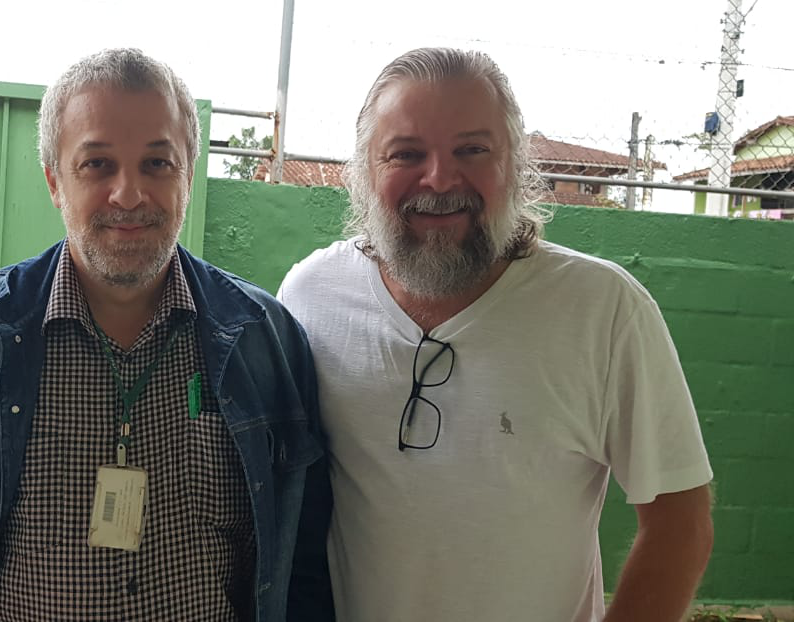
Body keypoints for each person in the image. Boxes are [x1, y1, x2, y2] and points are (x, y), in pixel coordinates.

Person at [0, 48, 332, 622]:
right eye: (97, 164)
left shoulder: (266, 340)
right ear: (55, 182)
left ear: (188, 174)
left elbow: (302, 563)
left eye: (157, 164)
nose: (128, 194)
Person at [278, 47, 713, 622]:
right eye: (406, 153)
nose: (439, 178)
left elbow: (679, 520)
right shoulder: (311, 296)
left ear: (515, 163)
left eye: (471, 150)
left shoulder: (603, 310)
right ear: (363, 171)